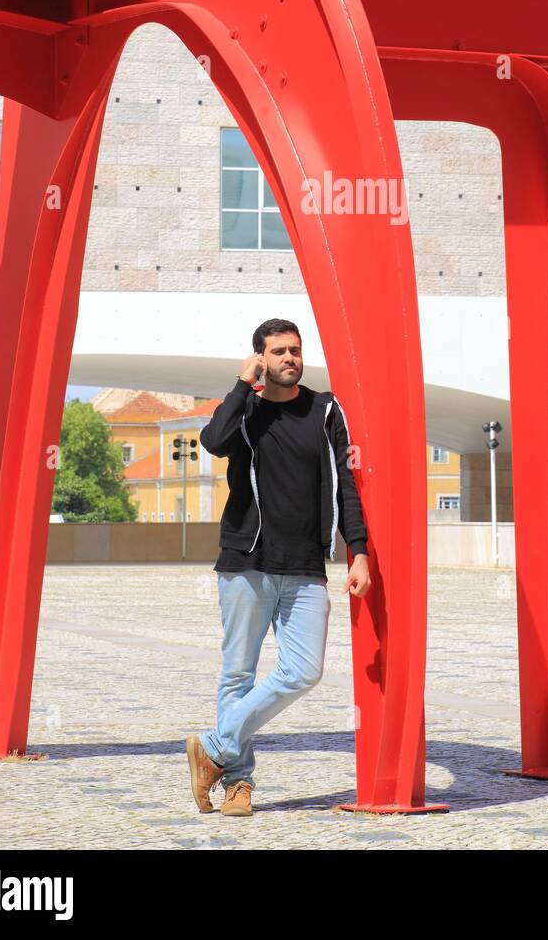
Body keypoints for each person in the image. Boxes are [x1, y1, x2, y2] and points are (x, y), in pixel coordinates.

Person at [185, 318, 371, 817]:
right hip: (246, 562)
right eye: (279, 351)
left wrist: (359, 550)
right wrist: (244, 385)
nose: (290, 357)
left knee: (304, 671)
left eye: (295, 349)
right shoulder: (245, 410)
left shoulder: (326, 409)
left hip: (307, 565)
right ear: (261, 358)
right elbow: (213, 440)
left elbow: (345, 486)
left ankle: (213, 746)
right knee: (237, 675)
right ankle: (237, 786)